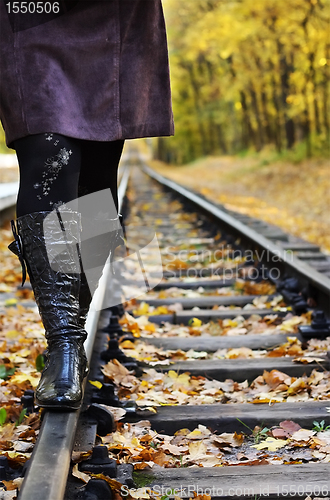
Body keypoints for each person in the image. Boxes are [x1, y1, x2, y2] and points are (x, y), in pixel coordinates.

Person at [0, 0, 174, 410]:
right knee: (48, 152)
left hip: (113, 14)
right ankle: (63, 348)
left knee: (95, 178)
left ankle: (72, 331)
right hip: (30, 16)